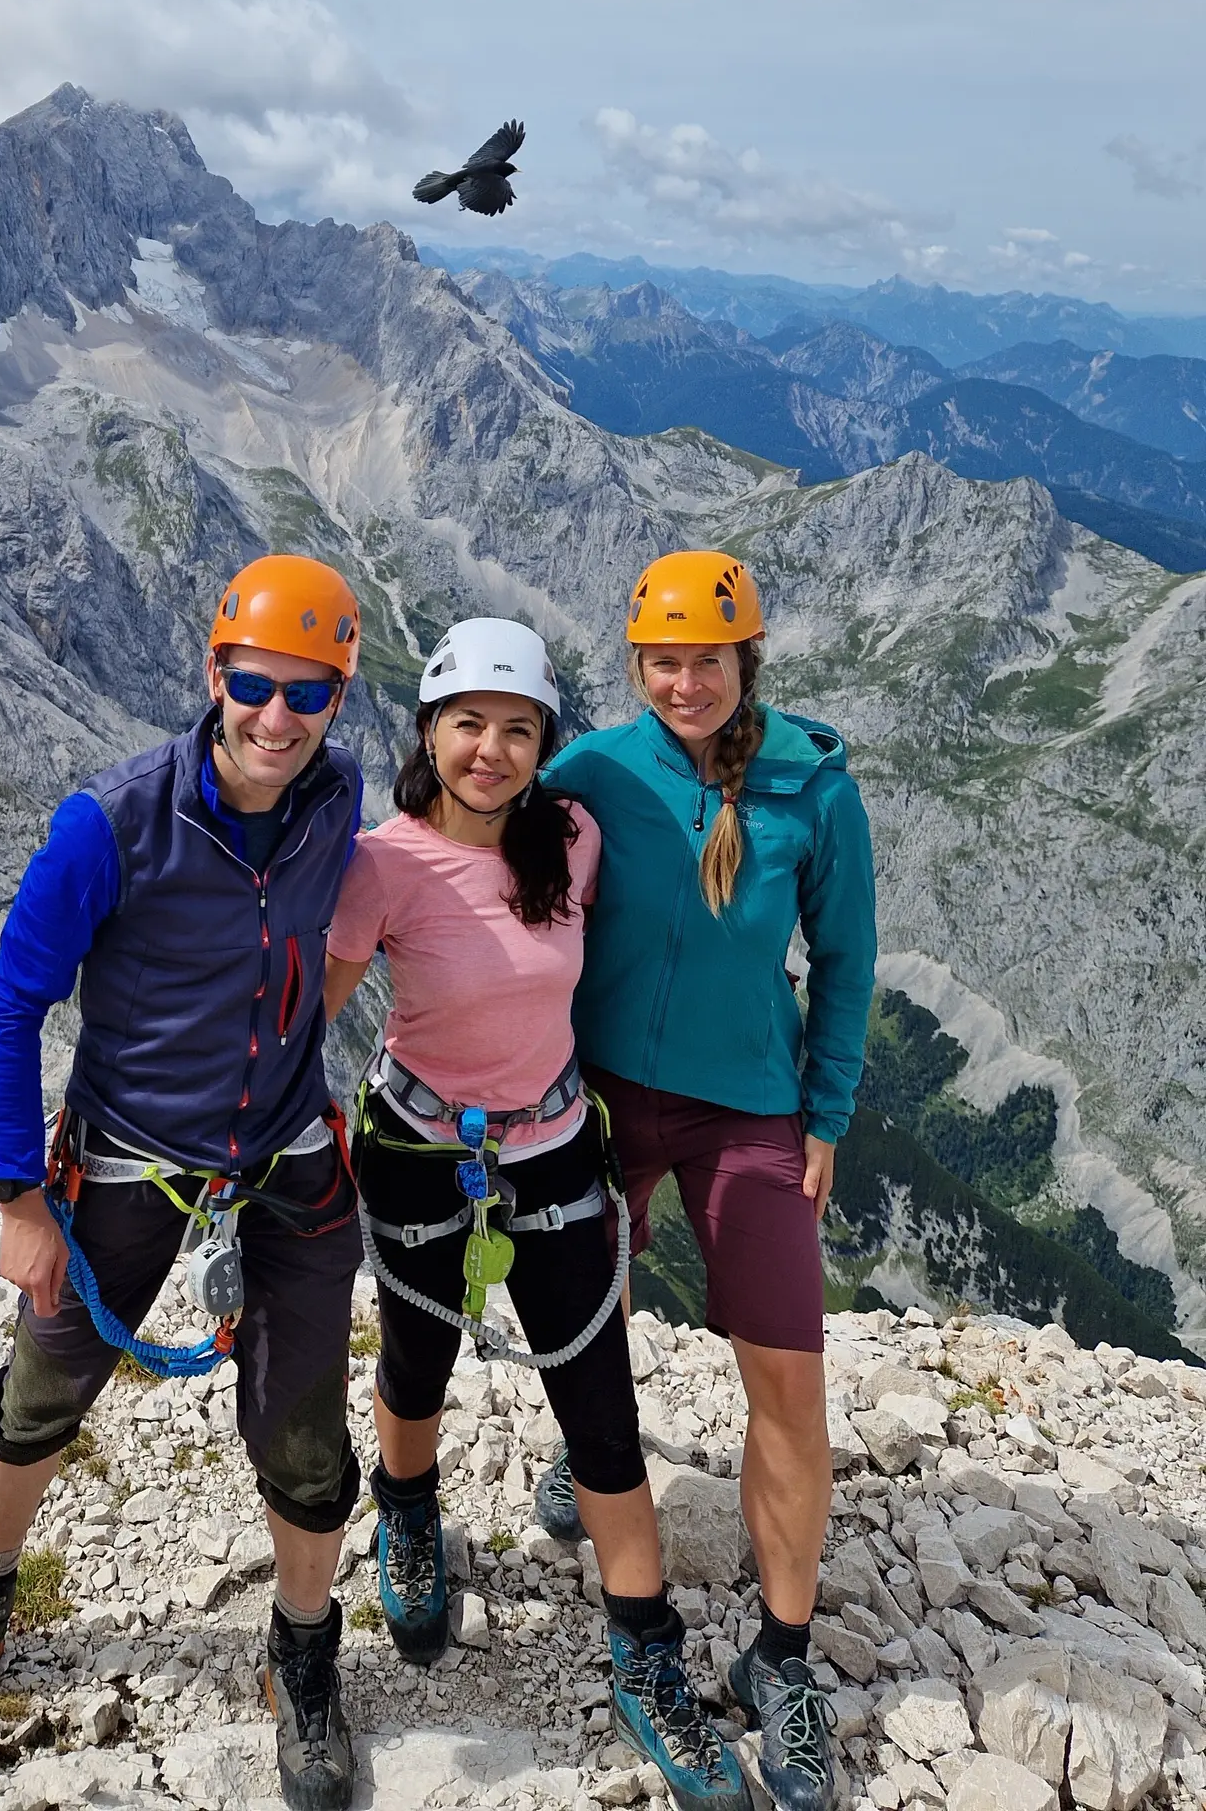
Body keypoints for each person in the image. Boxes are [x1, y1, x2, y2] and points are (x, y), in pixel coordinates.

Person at [0, 554, 370, 1811]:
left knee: (306, 1432)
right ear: (214, 674)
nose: (277, 715)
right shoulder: (113, 821)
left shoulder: (339, 797)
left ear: (338, 697)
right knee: (40, 1392)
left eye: (306, 692)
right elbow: (13, 1002)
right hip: (125, 1162)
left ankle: (302, 1654)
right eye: (256, 683)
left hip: (285, 1158)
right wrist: (16, 1199)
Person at [325, 618, 747, 1809]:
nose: (492, 752)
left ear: (543, 744)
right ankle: (407, 1516)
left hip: (557, 1154)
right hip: (417, 1152)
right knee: (417, 1365)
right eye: (469, 725)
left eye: (518, 731)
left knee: (600, 1410)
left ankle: (644, 1655)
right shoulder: (383, 863)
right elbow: (318, 1002)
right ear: (428, 732)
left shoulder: (575, 837)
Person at [534, 551, 877, 1811]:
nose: (686, 681)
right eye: (664, 660)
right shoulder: (591, 773)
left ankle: (780, 1656)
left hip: (751, 1105)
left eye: (709, 659)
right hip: (601, 1091)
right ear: (636, 665)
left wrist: (826, 1111)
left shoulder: (813, 787)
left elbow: (845, 961)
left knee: (788, 1373)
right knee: (595, 1309)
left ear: (748, 662)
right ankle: (589, 1459)